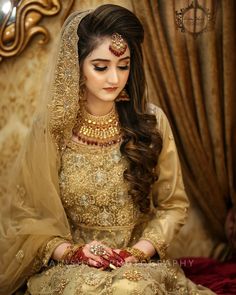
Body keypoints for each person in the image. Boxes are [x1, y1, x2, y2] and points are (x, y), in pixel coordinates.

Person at [0, 4, 216, 295]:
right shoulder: (52, 129)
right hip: (72, 268)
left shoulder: (152, 123)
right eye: (101, 67)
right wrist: (73, 253)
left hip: (137, 269)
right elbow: (29, 218)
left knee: (130, 288)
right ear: (76, 66)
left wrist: (137, 253)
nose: (114, 79)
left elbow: (173, 206)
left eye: (123, 65)